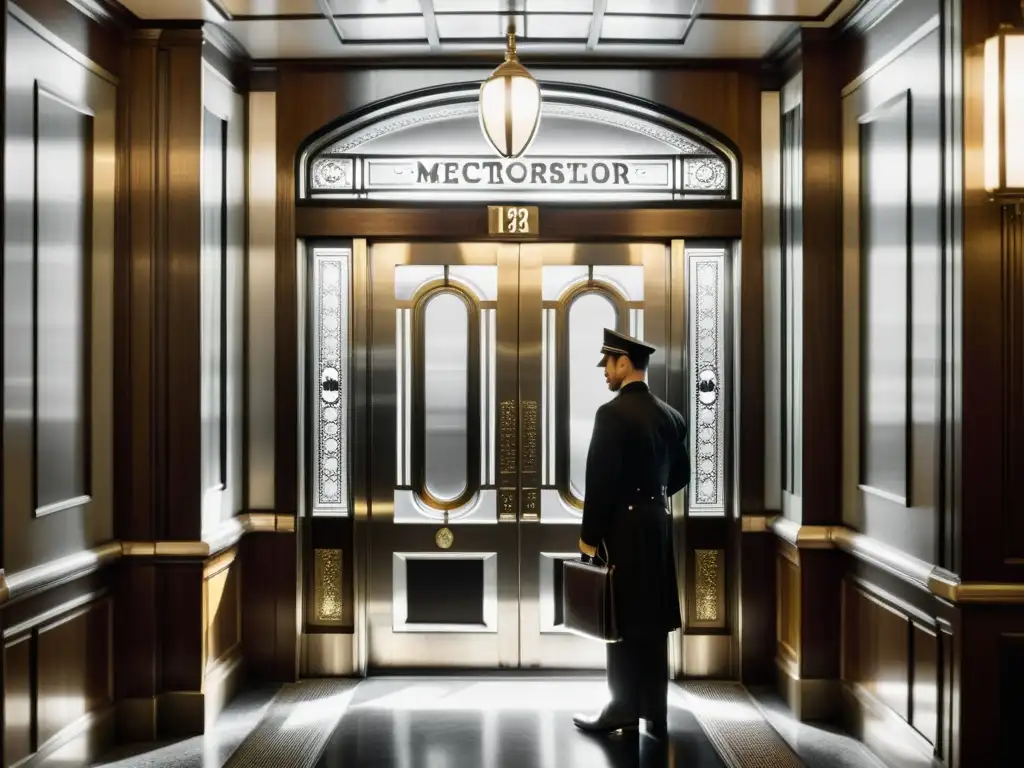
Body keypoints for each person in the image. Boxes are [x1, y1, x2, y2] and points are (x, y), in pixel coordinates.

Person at [572, 328, 689, 741]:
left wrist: (589, 539)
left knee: (619, 619)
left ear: (624, 363)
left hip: (621, 528)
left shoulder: (611, 414)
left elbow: (598, 482)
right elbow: (681, 476)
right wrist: (651, 498)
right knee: (653, 618)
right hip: (658, 526)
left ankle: (621, 708)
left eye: (608, 363)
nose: (605, 372)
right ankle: (655, 712)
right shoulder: (671, 416)